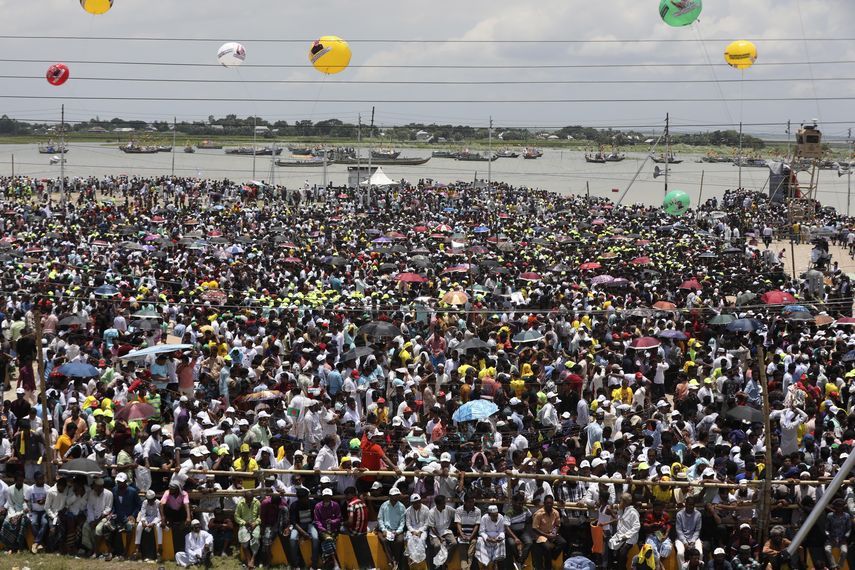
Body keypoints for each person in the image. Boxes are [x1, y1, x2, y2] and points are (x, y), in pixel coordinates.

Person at [81, 477, 114, 559]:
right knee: (85, 527)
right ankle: (90, 549)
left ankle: (96, 551)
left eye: (98, 487)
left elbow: (108, 509)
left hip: (104, 517)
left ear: (102, 486)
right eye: (95, 486)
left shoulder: (109, 494)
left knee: (98, 529)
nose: (96, 488)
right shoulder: (91, 493)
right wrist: (92, 520)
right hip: (93, 517)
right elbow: (90, 508)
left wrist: (96, 521)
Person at [288, 486, 320, 569]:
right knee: (292, 538)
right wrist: (303, 533)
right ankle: (295, 564)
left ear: (308, 497)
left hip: (310, 524)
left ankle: (314, 563)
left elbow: (316, 518)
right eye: (301, 499)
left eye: (305, 498)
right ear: (298, 498)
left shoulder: (313, 503)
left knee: (315, 538)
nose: (304, 501)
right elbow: (294, 522)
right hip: (298, 526)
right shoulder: (294, 505)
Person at [344, 486, 374, 570]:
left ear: (351, 494)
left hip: (355, 532)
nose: (346, 497)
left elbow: (350, 522)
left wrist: (342, 523)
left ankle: (346, 562)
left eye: (347, 495)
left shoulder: (351, 504)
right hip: (364, 530)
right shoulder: (362, 502)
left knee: (340, 530)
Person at [377, 486, 406, 570]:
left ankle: (395, 560)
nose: (395, 497)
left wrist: (398, 531)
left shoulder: (402, 506)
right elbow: (380, 518)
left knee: (400, 541)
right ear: (390, 496)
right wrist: (383, 530)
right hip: (385, 529)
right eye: (393, 495)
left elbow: (402, 522)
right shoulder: (384, 505)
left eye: (397, 495)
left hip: (396, 530)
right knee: (384, 540)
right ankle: (391, 561)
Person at [533, 495, 566, 569]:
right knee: (548, 547)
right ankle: (548, 566)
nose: (549, 505)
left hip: (552, 533)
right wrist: (548, 536)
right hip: (541, 535)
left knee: (563, 542)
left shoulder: (556, 512)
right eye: (547, 503)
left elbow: (557, 525)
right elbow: (535, 528)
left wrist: (553, 533)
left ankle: (552, 557)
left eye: (551, 503)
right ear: (544, 503)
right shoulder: (538, 514)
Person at [609, 493, 640, 570]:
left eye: (621, 501)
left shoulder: (633, 512)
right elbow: (619, 520)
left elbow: (637, 526)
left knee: (622, 553)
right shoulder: (621, 510)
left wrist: (626, 536)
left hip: (630, 538)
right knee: (609, 544)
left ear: (625, 502)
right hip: (620, 535)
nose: (619, 502)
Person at [315, 487, 342, 568]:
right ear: (323, 496)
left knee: (330, 542)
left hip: (334, 529)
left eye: (328, 496)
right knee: (329, 540)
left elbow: (339, 518)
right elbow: (317, 521)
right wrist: (324, 529)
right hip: (323, 530)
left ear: (331, 496)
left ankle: (327, 562)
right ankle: (335, 563)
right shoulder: (318, 506)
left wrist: (333, 521)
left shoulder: (336, 505)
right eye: (325, 496)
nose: (327, 497)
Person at [428, 494, 457, 570]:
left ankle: (444, 561)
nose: (445, 504)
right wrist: (439, 537)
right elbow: (432, 527)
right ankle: (439, 565)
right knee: (437, 545)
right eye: (443, 503)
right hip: (435, 533)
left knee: (454, 543)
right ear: (438, 504)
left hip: (446, 530)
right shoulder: (431, 512)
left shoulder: (448, 509)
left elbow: (457, 513)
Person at [134, 489, 163, 562]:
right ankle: (137, 549)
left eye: (151, 500)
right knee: (139, 526)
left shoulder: (158, 503)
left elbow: (159, 516)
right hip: (147, 518)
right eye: (149, 500)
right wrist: (143, 522)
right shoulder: (144, 502)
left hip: (156, 519)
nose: (150, 502)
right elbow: (143, 513)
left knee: (159, 527)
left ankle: (159, 548)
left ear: (154, 499)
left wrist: (153, 523)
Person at [476, 504, 508, 570]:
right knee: (479, 540)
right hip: (487, 538)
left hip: (497, 538)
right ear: (489, 514)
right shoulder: (484, 518)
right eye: (493, 516)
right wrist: (488, 538)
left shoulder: (501, 517)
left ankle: (495, 562)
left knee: (503, 541)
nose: (495, 517)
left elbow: (502, 531)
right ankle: (485, 563)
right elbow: (481, 531)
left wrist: (499, 537)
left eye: (496, 515)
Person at [235, 489, 260, 568]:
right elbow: (236, 517)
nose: (249, 501)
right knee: (244, 539)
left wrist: (255, 523)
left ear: (253, 498)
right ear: (244, 497)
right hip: (244, 524)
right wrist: (244, 523)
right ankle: (248, 560)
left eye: (251, 499)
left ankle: (252, 559)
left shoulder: (257, 503)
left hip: (254, 524)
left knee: (256, 537)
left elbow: (260, 516)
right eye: (248, 499)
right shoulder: (240, 503)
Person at [676, 496, 703, 568]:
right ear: (685, 504)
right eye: (689, 504)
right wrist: (685, 542)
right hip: (681, 538)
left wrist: (693, 541)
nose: (691, 506)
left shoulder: (698, 514)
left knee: (700, 553)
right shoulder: (679, 514)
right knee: (680, 553)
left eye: (692, 505)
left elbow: (697, 530)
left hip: (694, 538)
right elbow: (679, 530)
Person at [405, 493, 430, 567]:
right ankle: (412, 559)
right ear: (412, 503)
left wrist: (420, 531)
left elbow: (427, 523)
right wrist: (412, 531)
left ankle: (420, 560)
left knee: (421, 540)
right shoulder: (408, 510)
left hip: (422, 530)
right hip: (412, 530)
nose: (417, 504)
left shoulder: (426, 509)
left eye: (418, 502)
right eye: (415, 503)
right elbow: (408, 523)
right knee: (409, 540)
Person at [825, 498, 850, 570]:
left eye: (840, 506)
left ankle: (839, 567)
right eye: (837, 506)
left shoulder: (846, 516)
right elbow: (826, 529)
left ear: (843, 507)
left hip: (842, 539)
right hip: (831, 539)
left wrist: (845, 538)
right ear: (834, 507)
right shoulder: (830, 516)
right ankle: (833, 566)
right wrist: (830, 537)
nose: (839, 508)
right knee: (827, 549)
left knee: (844, 551)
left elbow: (849, 529)